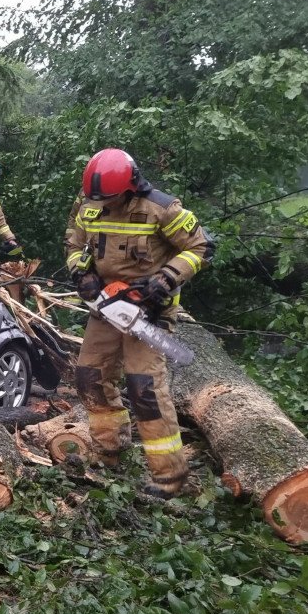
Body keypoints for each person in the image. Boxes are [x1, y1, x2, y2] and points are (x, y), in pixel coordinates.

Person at [64, 148, 213, 499]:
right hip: (105, 306)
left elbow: (201, 248)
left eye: (110, 197)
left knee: (144, 388)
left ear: (131, 187)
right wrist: (81, 273)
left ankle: (170, 477)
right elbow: (74, 243)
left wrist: (165, 279)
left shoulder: (161, 209)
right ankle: (108, 450)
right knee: (89, 376)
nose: (104, 203)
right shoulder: (90, 205)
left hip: (148, 311)